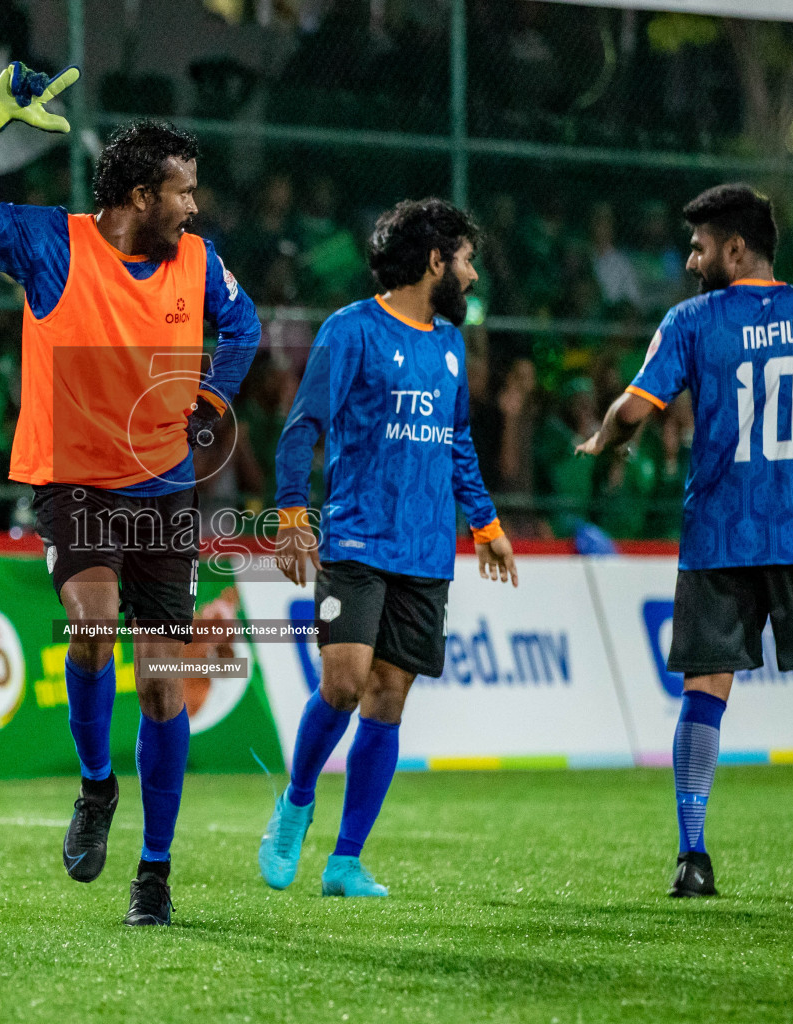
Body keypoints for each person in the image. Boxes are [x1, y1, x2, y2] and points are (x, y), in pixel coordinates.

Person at [0, 63, 261, 926]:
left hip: (166, 493)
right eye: (183, 193)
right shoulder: (47, 243)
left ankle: (155, 874)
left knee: (166, 685)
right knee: (93, 634)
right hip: (75, 482)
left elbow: (241, 324)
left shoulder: (199, 263)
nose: (194, 208)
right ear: (139, 194)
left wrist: (213, 395)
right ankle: (98, 788)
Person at [575, 184, 793, 898]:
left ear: (736, 249)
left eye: (701, 245)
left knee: (705, 688)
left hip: (717, 534)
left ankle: (693, 859)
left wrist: (602, 437)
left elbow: (635, 409)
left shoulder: (690, 321)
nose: (691, 257)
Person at [259, 198, 519, 898]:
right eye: (464, 260)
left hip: (426, 551)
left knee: (388, 699)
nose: (471, 275)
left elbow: (459, 441)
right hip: (357, 539)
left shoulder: (449, 344)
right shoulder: (352, 331)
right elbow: (302, 425)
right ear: (434, 260)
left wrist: (486, 525)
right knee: (343, 685)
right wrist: (290, 514)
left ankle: (345, 861)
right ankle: (295, 803)